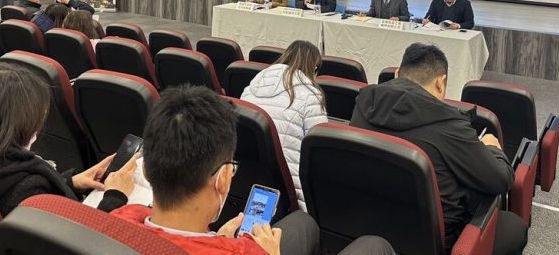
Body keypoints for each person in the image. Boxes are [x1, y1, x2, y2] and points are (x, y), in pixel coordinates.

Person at [112, 86, 393, 255]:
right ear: (223, 179)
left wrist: (215, 239)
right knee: (374, 245)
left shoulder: (116, 218)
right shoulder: (248, 251)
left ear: (146, 170)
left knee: (302, 223)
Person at [350, 44, 527, 255]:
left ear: (397, 73)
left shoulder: (363, 104)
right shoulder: (450, 125)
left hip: (363, 228)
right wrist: (492, 147)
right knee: (513, 227)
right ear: (440, 82)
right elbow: (501, 179)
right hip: (431, 243)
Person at [0, 64, 137, 217]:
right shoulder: (26, 188)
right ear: (18, 126)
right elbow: (78, 243)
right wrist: (115, 197)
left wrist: (69, 183)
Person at [241, 40, 327, 211]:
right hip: (288, 189)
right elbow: (320, 152)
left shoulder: (252, 87)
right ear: (314, 68)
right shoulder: (311, 96)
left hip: (246, 180)